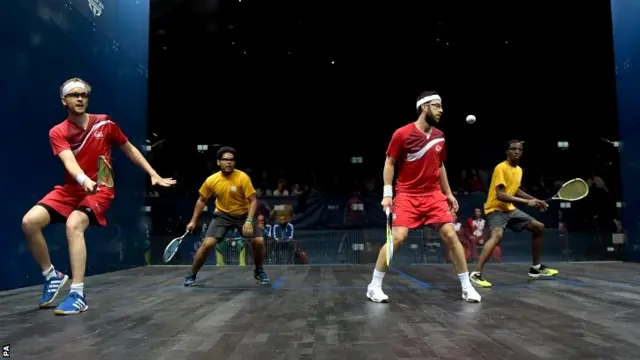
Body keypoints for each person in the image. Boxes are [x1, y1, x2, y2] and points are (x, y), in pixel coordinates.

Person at [21, 77, 176, 315]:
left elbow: (128, 147)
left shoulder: (104, 123)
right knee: (29, 222)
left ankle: (78, 293)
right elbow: (68, 161)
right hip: (72, 189)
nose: (80, 98)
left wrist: (153, 174)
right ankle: (51, 276)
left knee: (74, 224)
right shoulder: (58, 132)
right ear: (64, 100)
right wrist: (83, 180)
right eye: (74, 95)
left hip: (101, 189)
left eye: (83, 94)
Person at [367, 91, 482, 303]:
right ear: (424, 107)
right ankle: (374, 286)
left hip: (433, 195)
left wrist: (447, 193)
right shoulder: (402, 134)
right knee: (398, 238)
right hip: (407, 195)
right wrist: (387, 194)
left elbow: (440, 166)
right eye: (437, 106)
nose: (441, 110)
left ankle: (467, 287)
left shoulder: (440, 136)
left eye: (441, 106)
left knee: (450, 235)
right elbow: (390, 163)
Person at [469, 140, 558, 288]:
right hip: (495, 209)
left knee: (539, 227)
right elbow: (501, 195)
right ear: (507, 151)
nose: (517, 151)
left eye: (520, 149)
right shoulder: (500, 168)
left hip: (509, 209)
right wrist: (526, 202)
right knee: (497, 235)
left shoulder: (519, 170)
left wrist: (534, 199)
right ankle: (476, 274)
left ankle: (536, 268)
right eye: (513, 149)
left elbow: (515, 189)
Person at [184, 146, 270, 286]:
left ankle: (259, 271)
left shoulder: (243, 177)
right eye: (225, 160)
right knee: (207, 244)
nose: (228, 162)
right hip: (222, 215)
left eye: (231, 160)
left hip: (243, 215)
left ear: (234, 162)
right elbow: (201, 200)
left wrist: (248, 221)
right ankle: (191, 275)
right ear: (219, 162)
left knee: (258, 241)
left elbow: (254, 201)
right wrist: (193, 221)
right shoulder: (211, 180)